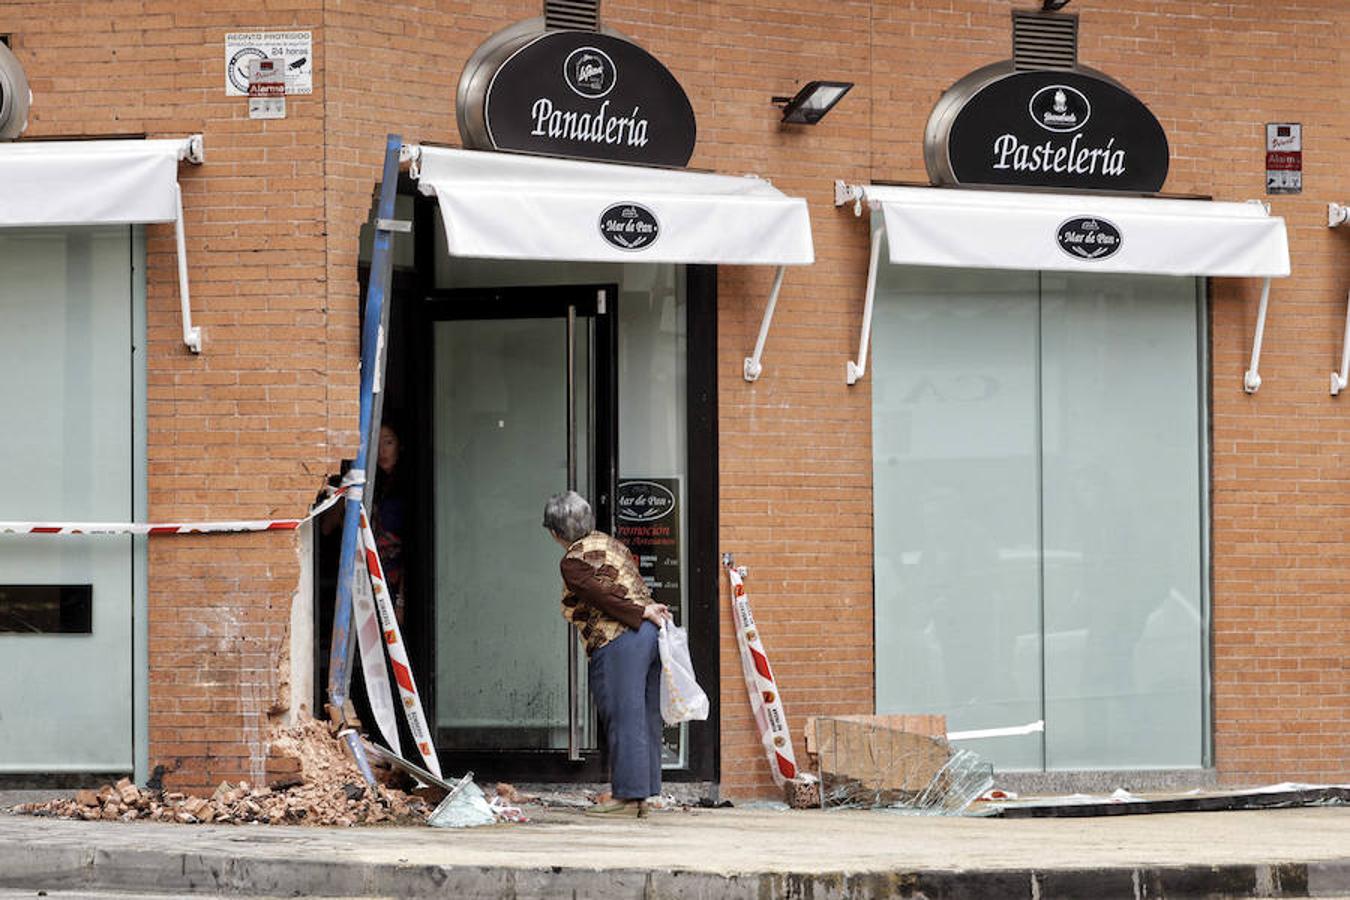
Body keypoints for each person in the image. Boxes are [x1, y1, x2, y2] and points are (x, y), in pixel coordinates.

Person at [543, 490, 670, 818]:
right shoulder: (612, 544)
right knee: (644, 714)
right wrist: (645, 610)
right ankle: (646, 794)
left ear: (557, 532)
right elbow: (630, 584)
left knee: (623, 715)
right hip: (651, 636)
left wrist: (637, 613)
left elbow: (601, 595)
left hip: (619, 640)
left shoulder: (572, 561)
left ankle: (627, 797)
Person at [371, 422, 409, 625]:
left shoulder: (408, 485)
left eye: (388, 442)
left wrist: (401, 601)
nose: (381, 451)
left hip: (398, 584)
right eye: (376, 443)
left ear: (400, 445)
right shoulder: (374, 485)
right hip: (376, 578)